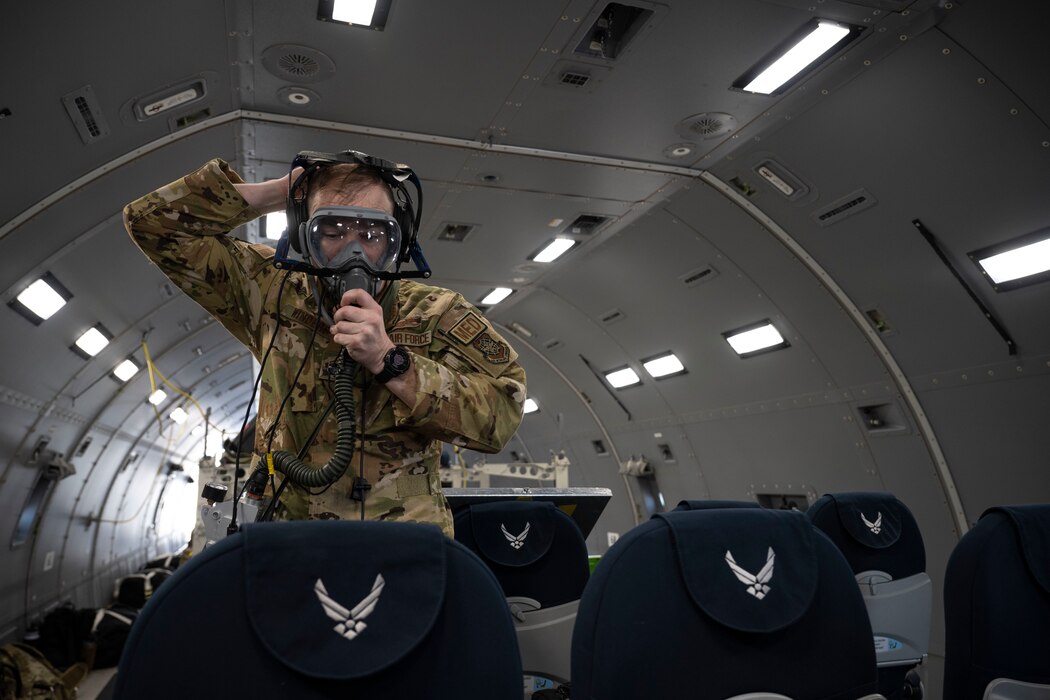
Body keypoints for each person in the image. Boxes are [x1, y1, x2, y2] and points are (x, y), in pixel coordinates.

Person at [123, 153, 526, 537]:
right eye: (331, 232)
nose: (354, 249)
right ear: (304, 234)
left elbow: (503, 413)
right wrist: (280, 193)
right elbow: (153, 225)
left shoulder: (437, 314)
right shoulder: (270, 291)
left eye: (372, 234)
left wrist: (392, 362)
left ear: (395, 240)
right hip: (291, 538)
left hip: (402, 543)